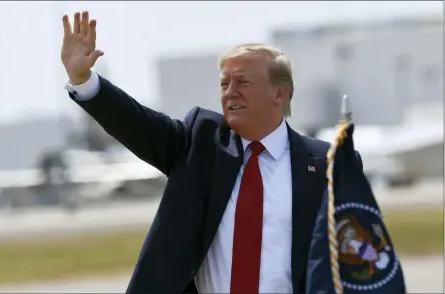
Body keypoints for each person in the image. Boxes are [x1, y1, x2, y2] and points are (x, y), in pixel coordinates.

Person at [61, 11, 362, 294]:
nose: (230, 91)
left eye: (243, 81)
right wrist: (85, 82)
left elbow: (355, 256)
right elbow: (137, 123)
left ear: (279, 94)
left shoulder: (328, 164)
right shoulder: (199, 144)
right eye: (224, 83)